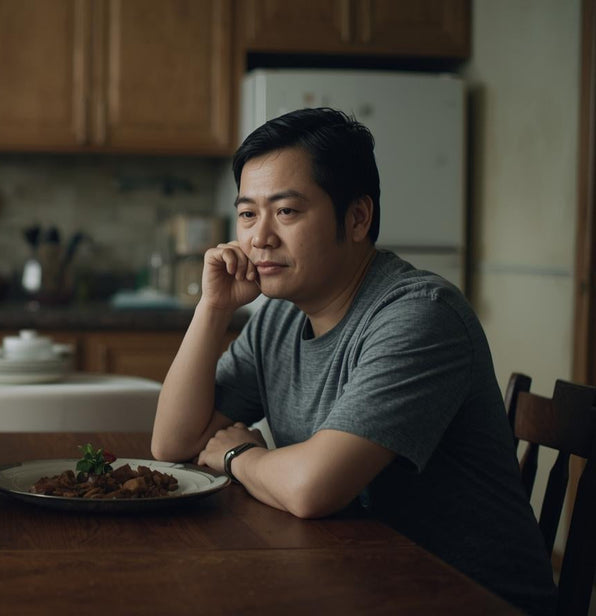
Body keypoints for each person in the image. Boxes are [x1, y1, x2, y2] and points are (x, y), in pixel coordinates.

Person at [151, 108, 556, 615]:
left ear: (358, 217)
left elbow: (312, 489)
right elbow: (173, 443)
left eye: (288, 212)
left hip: (469, 599)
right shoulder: (278, 317)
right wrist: (212, 309)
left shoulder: (419, 315)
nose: (260, 237)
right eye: (249, 213)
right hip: (361, 582)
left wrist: (240, 456)